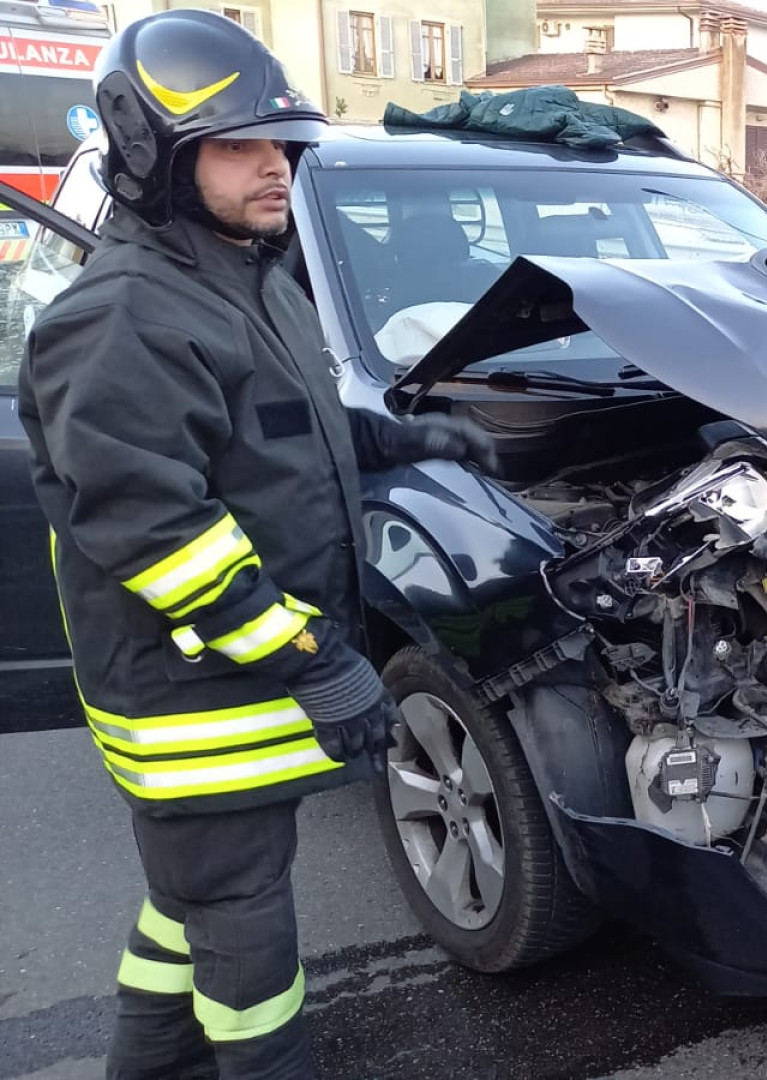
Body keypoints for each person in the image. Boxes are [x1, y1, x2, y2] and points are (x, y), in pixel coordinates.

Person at [18, 11, 495, 1076]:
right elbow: (160, 534)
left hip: (244, 682)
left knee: (188, 906)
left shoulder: (253, 279)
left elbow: (278, 438)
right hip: (193, 702)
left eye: (280, 144)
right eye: (238, 146)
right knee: (243, 926)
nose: (275, 166)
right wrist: (320, 664)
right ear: (154, 158)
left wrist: (398, 434)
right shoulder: (124, 316)